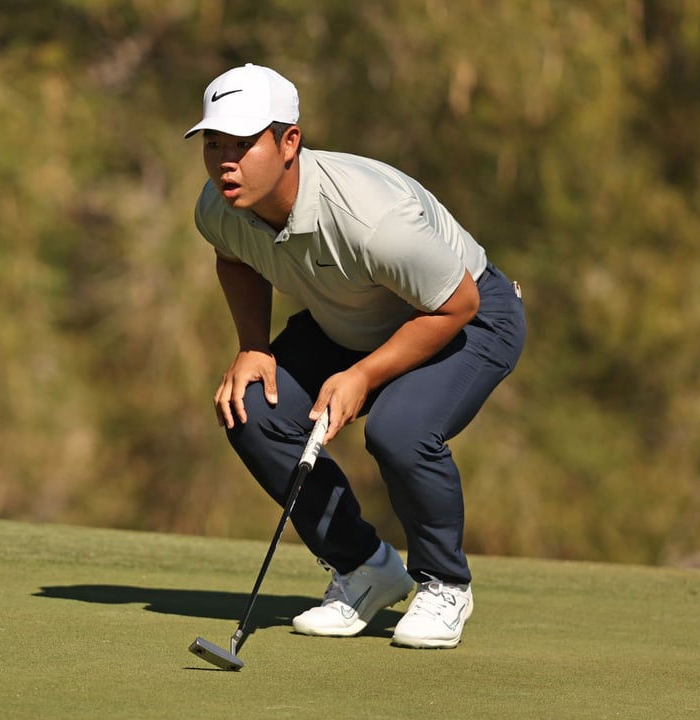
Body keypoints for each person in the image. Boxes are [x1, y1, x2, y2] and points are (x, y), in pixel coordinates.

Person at [185, 64, 526, 648]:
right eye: (214, 144)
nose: (225, 161)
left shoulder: (372, 219)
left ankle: (445, 584)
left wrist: (363, 376)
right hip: (354, 314)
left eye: (243, 144)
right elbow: (234, 256)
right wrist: (253, 346)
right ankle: (365, 567)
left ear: (289, 142)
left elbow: (456, 304)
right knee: (253, 407)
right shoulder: (221, 207)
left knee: (399, 429)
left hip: (465, 312)